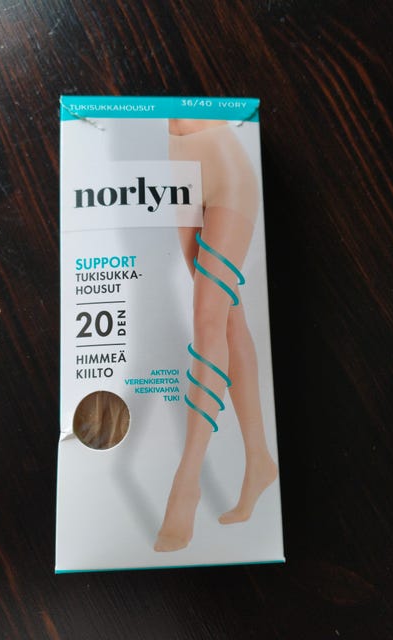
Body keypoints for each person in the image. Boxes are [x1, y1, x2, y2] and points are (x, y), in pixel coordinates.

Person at [154, 118, 278, 552]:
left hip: (225, 168)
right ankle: (259, 460)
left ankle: (185, 483)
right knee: (226, 318)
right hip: (178, 169)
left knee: (207, 317)